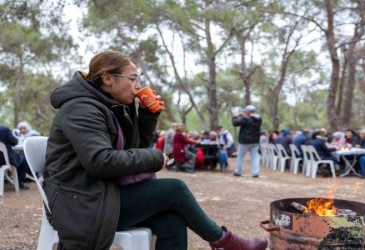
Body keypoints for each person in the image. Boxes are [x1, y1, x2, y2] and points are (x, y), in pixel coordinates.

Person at [42, 50, 267, 250]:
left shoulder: (110, 106)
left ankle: (225, 242)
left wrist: (148, 117)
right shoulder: (82, 108)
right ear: (108, 79)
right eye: (132, 79)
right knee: (175, 188)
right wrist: (154, 157)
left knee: (172, 223)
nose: (137, 85)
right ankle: (225, 242)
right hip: (80, 201)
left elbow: (133, 150)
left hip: (102, 193)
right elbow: (101, 161)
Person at [232, 105, 262, 178]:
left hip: (244, 141)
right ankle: (255, 173)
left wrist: (235, 117)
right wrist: (244, 115)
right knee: (255, 158)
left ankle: (238, 172)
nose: (245, 111)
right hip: (255, 141)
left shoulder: (246, 119)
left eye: (246, 110)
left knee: (240, 157)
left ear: (249, 111)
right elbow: (250, 120)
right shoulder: (259, 118)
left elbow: (235, 123)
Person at [0, 125, 30, 190]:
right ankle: (18, 184)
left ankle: (7, 180)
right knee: (24, 159)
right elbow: (14, 142)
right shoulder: (3, 129)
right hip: (4, 159)